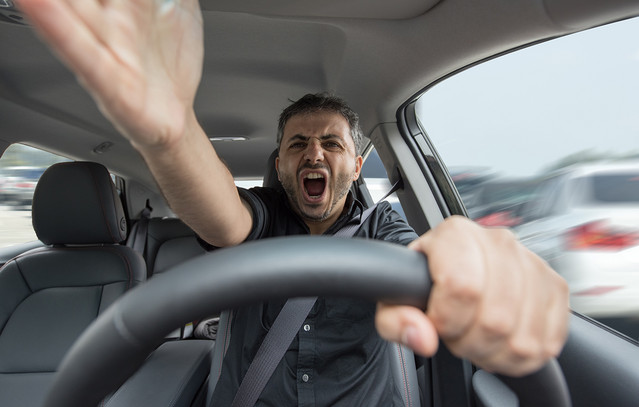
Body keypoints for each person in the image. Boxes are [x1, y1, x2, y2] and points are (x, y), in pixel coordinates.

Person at [18, 0, 570, 405]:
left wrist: (466, 261)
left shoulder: (382, 225)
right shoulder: (263, 216)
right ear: (280, 164)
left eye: (332, 143)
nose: (315, 153)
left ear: (357, 166)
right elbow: (224, 217)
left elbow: (421, 257)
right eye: (298, 144)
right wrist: (170, 134)